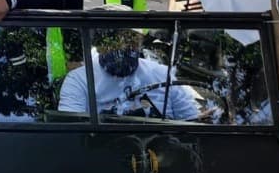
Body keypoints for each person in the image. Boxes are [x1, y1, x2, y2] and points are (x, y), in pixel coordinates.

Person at [58, 29, 199, 120]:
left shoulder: (162, 74)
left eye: (131, 40)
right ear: (99, 46)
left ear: (140, 43)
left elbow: (191, 121)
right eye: (114, 42)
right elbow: (72, 131)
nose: (124, 47)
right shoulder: (79, 80)